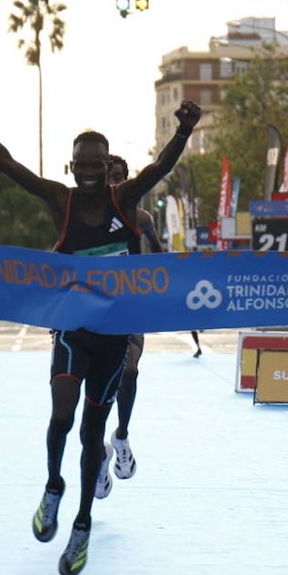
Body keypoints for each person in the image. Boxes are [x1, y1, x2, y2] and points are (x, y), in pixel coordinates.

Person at [0, 91, 201, 575]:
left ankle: (83, 523)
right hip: (72, 330)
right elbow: (6, 165)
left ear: (106, 163)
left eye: (97, 163)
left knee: (92, 434)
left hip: (113, 336)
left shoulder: (124, 199)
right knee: (61, 417)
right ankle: (53, 487)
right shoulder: (59, 199)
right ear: (70, 168)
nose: (89, 171)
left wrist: (185, 130)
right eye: (81, 164)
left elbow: (159, 168)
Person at [102, 154, 165, 488]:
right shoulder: (85, 219)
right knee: (92, 381)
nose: (114, 184)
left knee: (129, 363)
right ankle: (98, 454)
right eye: (109, 178)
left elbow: (161, 257)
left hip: (129, 306)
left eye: (119, 178)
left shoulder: (141, 219)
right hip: (92, 307)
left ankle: (122, 436)